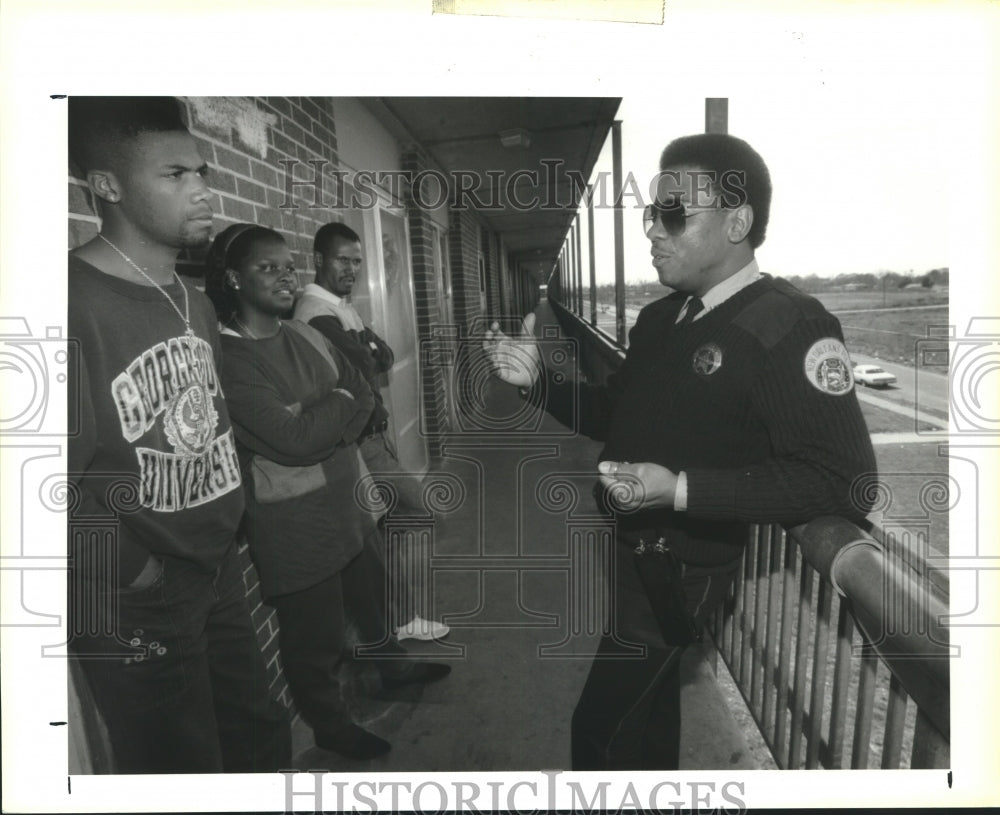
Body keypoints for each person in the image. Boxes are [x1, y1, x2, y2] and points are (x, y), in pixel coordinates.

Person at [484, 132, 877, 770]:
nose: (653, 231)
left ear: (737, 222)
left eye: (674, 215)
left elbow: (843, 480)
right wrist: (540, 386)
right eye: (651, 213)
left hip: (681, 566)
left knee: (600, 731)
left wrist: (681, 489)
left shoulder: (791, 325)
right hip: (629, 546)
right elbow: (617, 413)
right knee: (652, 710)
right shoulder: (662, 320)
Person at [66, 97, 290, 773]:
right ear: (107, 186)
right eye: (174, 175)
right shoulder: (63, 301)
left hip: (213, 565)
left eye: (202, 171)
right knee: (178, 766)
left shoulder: (190, 296)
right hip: (137, 592)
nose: (201, 189)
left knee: (256, 733)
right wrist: (137, 568)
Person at [205, 224, 451, 761]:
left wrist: (323, 417)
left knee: (373, 601)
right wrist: (328, 413)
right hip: (295, 521)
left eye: (287, 267)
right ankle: (330, 726)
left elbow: (360, 394)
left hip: (348, 501)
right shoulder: (230, 358)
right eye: (266, 268)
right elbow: (294, 441)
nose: (284, 277)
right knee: (313, 639)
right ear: (232, 278)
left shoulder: (302, 333)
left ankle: (392, 671)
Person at [294, 221, 449, 643]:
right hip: (359, 441)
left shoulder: (344, 307)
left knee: (382, 529)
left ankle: (394, 619)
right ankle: (385, 621)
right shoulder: (315, 311)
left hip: (373, 432)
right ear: (319, 260)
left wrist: (369, 350)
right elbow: (363, 365)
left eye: (357, 262)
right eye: (342, 260)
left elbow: (384, 353)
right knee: (416, 509)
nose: (351, 269)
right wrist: (369, 351)